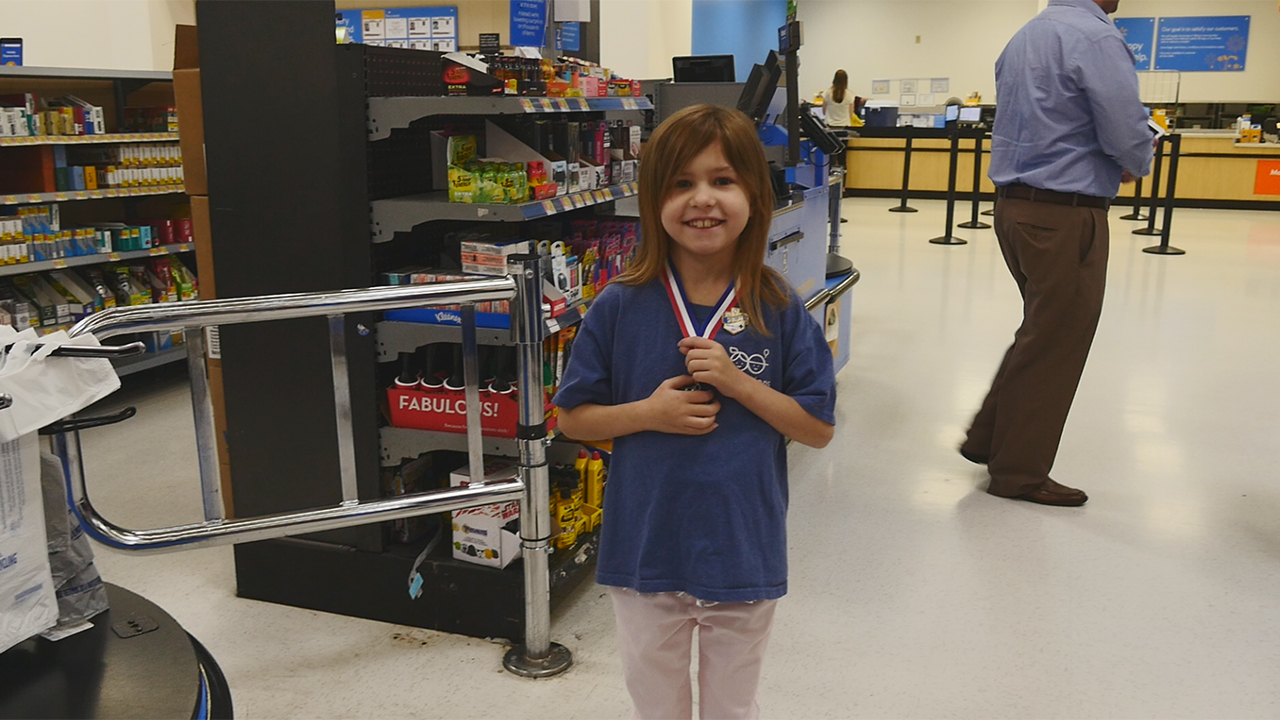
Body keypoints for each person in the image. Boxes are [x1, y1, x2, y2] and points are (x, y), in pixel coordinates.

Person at [553, 104, 837, 719]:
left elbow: (816, 429)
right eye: (682, 183)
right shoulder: (619, 305)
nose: (702, 199)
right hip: (646, 549)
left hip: (743, 548)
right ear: (652, 199)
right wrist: (648, 414)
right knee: (655, 705)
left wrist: (740, 385)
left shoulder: (778, 306)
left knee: (733, 707)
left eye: (723, 180)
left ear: (756, 197)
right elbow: (572, 419)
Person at [960, 0, 1154, 506]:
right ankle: (1018, 473)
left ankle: (988, 438)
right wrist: (1136, 160)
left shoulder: (1025, 35)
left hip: (1016, 208)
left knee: (1042, 330)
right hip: (1065, 214)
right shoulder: (1097, 38)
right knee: (1058, 340)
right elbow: (1126, 130)